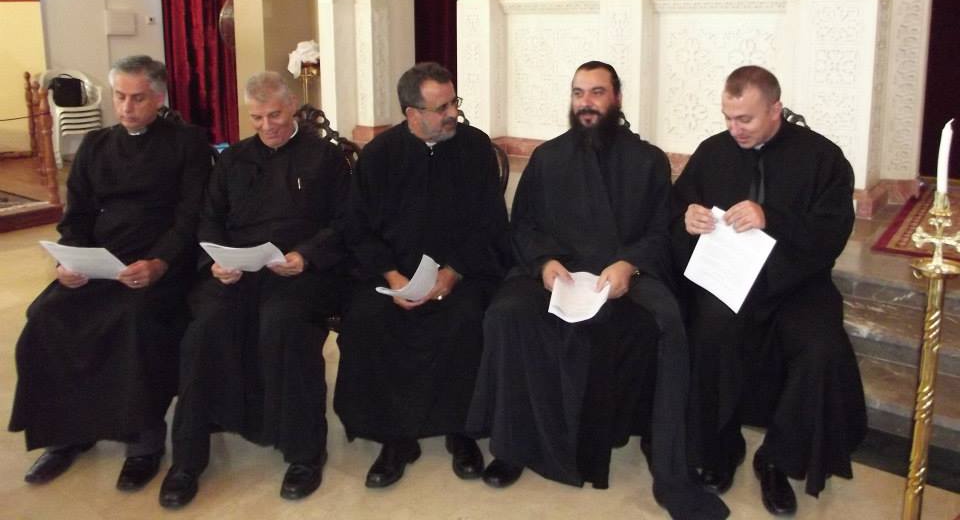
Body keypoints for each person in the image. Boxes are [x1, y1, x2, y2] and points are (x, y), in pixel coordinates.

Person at [466, 61, 728, 520]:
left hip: (625, 274)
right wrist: (544, 263)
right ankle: (513, 446)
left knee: (666, 321)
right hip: (558, 273)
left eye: (596, 92)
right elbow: (522, 225)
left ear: (617, 98)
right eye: (578, 93)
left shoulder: (648, 160)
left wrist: (630, 264)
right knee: (506, 315)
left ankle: (665, 454)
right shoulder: (547, 158)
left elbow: (662, 230)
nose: (585, 102)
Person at [9, 55, 212, 491]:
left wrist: (159, 262)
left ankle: (143, 442)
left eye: (137, 98)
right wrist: (69, 260)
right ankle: (67, 434)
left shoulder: (188, 143)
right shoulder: (96, 145)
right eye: (119, 97)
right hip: (100, 261)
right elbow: (77, 216)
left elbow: (191, 217)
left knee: (134, 320)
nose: (126, 108)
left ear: (158, 97)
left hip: (162, 264)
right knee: (47, 317)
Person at [673, 66, 866, 516]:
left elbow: (832, 231)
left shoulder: (822, 157)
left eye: (745, 119)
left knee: (820, 347)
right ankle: (720, 448)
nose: (734, 129)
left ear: (775, 109)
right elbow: (677, 204)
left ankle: (778, 458)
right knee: (710, 329)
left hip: (797, 281)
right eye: (728, 118)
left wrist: (770, 218)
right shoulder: (713, 152)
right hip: (731, 279)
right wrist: (687, 219)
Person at [158, 71, 350, 508]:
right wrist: (216, 261)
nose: (268, 126)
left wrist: (306, 254)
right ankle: (187, 458)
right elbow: (210, 218)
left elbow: (345, 222)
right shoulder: (232, 160)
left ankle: (304, 452)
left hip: (301, 271)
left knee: (283, 324)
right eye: (257, 118)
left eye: (275, 115)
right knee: (204, 330)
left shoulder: (325, 157)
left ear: (293, 107)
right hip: (239, 270)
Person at [333, 62, 508, 489]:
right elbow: (356, 228)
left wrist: (454, 272)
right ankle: (395, 438)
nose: (453, 114)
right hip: (392, 274)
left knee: (467, 318)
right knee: (368, 320)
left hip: (462, 271)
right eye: (441, 107)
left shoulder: (474, 147)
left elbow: (490, 223)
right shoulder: (379, 155)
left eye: (453, 103)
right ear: (412, 114)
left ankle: (462, 430)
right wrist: (392, 277)